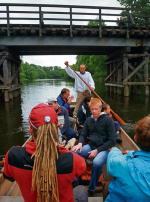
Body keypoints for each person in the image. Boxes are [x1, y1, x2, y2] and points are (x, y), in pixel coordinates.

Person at [3, 103, 87, 202]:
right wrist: (62, 149)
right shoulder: (73, 160)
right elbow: (82, 169)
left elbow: (8, 176)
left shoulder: (13, 156)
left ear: (30, 129)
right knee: (82, 190)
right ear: (56, 129)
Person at [72, 98, 116, 194]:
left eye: (96, 109)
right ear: (90, 109)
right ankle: (77, 181)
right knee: (74, 153)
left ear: (100, 109)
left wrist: (97, 150)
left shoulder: (108, 120)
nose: (94, 111)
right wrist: (80, 143)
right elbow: (83, 134)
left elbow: (112, 141)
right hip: (91, 146)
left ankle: (91, 188)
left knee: (96, 163)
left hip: (105, 148)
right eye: (92, 109)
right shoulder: (89, 120)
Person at [105, 115, 150, 202]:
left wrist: (114, 149)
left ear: (135, 138)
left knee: (108, 185)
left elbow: (111, 162)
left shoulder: (121, 163)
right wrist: (131, 153)